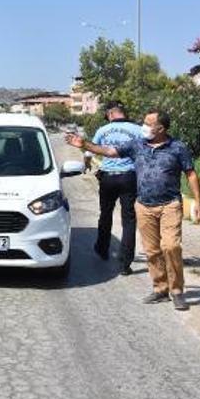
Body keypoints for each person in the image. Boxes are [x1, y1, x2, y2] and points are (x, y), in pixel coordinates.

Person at [65, 109, 200, 311]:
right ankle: (160, 289)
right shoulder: (137, 144)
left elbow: (191, 174)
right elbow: (111, 151)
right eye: (144, 122)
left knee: (171, 246)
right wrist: (85, 145)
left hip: (170, 204)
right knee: (152, 250)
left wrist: (198, 203)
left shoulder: (177, 148)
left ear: (161, 128)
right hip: (144, 205)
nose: (144, 126)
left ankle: (177, 291)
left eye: (148, 123)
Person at [87, 101, 142, 275]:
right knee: (129, 219)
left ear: (111, 114)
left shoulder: (103, 130)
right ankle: (125, 264)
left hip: (108, 178)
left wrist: (86, 162)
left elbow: (90, 150)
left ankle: (102, 249)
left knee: (106, 214)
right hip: (129, 177)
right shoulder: (137, 129)